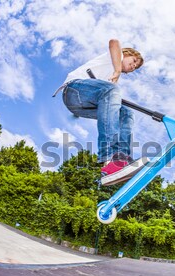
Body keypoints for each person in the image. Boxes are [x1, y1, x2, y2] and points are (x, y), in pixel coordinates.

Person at [53, 39, 147, 186]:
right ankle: (109, 155)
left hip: (84, 104)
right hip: (74, 88)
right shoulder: (116, 58)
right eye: (134, 61)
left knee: (126, 113)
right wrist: (117, 70)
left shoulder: (111, 80)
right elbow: (114, 42)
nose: (133, 66)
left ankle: (120, 159)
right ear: (127, 53)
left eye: (135, 67)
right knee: (111, 90)